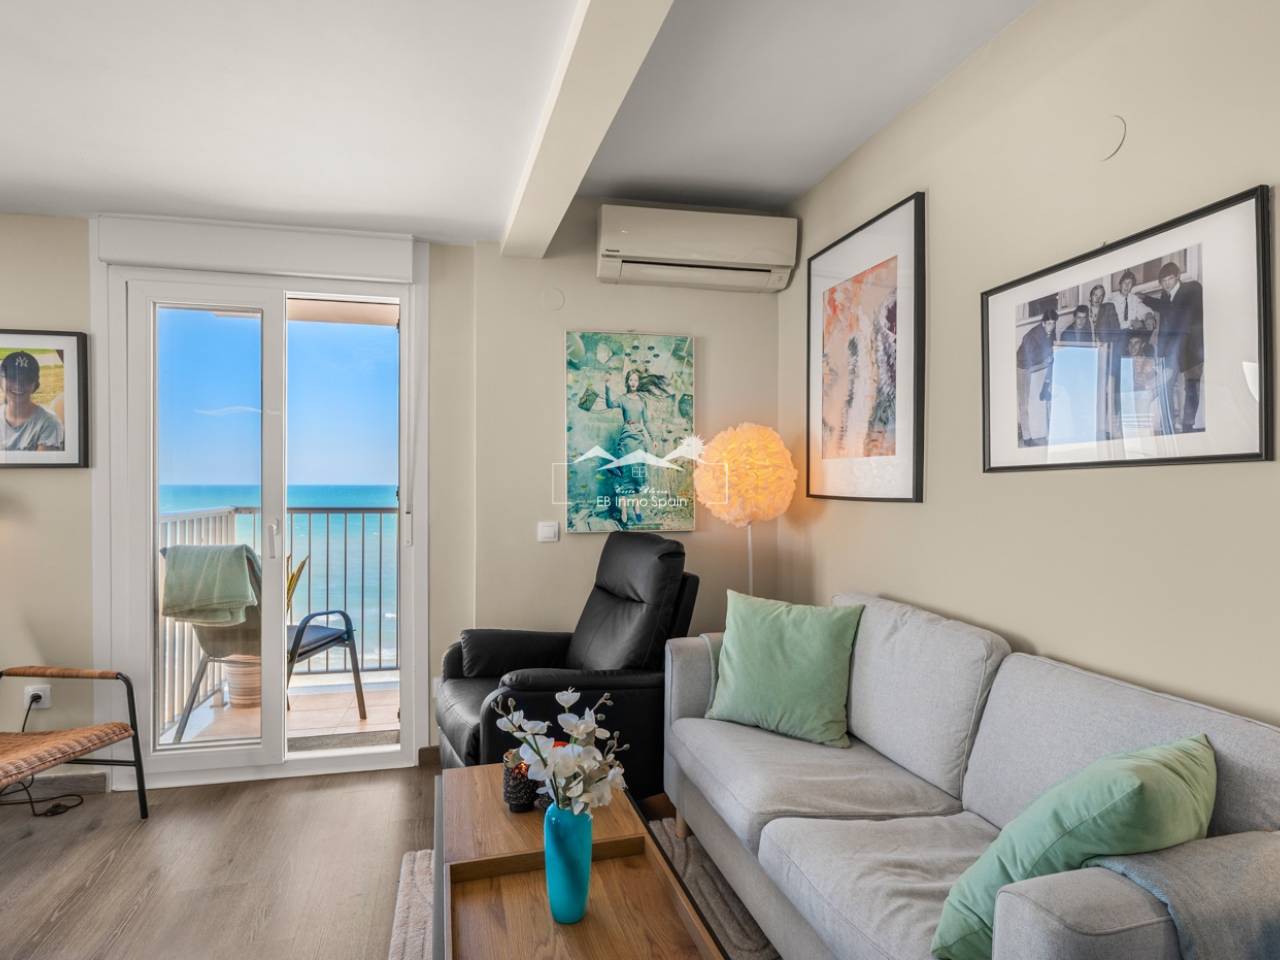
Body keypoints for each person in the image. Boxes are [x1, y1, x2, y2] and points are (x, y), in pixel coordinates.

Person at [1138, 261, 1205, 433]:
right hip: (1171, 348)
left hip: (1190, 347)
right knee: (1166, 384)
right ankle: (1168, 426)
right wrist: (1146, 299)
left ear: (1178, 277)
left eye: (1170, 279)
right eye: (1163, 281)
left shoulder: (1193, 288)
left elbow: (1181, 313)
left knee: (1191, 387)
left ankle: (1188, 426)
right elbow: (1166, 313)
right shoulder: (1165, 296)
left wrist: (1150, 300)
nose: (1167, 284)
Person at [1, 350, 64, 451]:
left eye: (26, 379)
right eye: (12, 377)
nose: (18, 385)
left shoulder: (49, 423)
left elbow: (43, 461)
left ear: (35, 385)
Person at [1016, 309, 1056, 446]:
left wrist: (1050, 356)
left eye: (1053, 323)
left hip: (1037, 363)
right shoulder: (1031, 336)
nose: (1052, 326)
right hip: (1023, 366)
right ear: (1043, 323)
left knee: (1054, 361)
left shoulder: (1050, 332)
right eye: (1049, 323)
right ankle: (1027, 438)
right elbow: (1028, 360)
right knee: (1023, 403)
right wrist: (1045, 359)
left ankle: (1046, 387)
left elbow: (1050, 348)